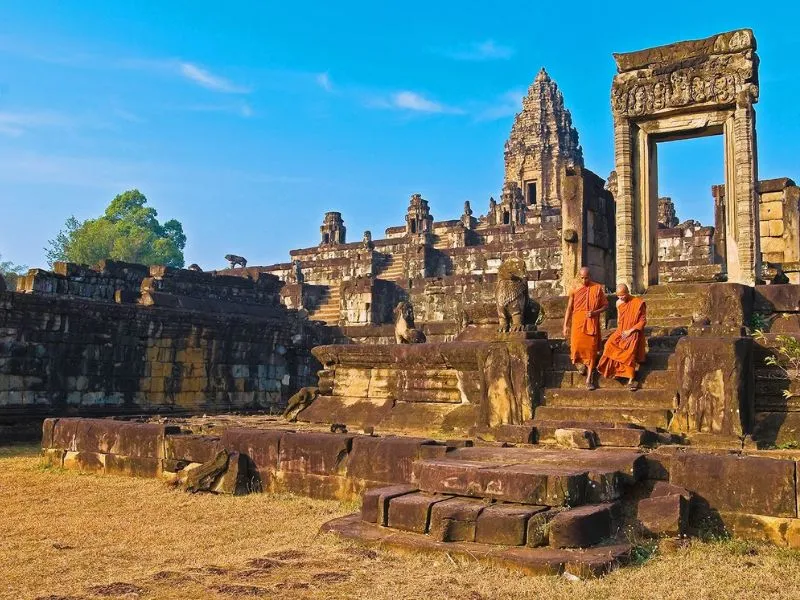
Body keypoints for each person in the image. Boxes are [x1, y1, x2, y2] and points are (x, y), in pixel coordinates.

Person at [563, 267, 608, 390]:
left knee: (592, 351)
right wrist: (565, 325)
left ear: (590, 276)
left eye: (586, 277)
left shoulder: (597, 288)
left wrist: (595, 312)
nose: (584, 280)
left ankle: (589, 379)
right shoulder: (574, 289)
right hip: (577, 322)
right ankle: (580, 364)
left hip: (592, 322)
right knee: (576, 347)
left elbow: (605, 306)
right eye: (582, 278)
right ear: (579, 277)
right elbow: (569, 308)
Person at [598, 283, 647, 391]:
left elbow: (643, 321)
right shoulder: (618, 302)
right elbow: (620, 319)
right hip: (621, 330)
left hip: (633, 331)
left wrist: (630, 331)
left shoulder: (638, 303)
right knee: (609, 344)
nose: (621, 298)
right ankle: (615, 370)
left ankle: (631, 379)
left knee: (629, 352)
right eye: (619, 296)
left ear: (627, 292)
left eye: (623, 295)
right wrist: (619, 332)